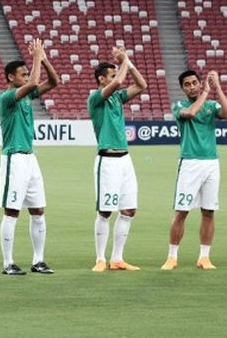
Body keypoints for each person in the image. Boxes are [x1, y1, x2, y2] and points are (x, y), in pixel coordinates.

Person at [0, 39, 59, 275]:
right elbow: (34, 81)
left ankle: (38, 260)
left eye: (26, 73)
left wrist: (43, 59)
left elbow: (53, 81)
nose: (26, 76)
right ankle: (8, 263)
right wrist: (36, 59)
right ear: (11, 78)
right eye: (21, 74)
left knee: (38, 210)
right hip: (14, 158)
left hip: (30, 158)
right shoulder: (6, 97)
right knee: (12, 211)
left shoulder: (26, 97)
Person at [87, 46, 147, 272]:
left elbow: (141, 85)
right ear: (101, 80)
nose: (115, 78)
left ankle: (117, 258)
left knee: (129, 209)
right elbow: (119, 83)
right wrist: (124, 61)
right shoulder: (95, 97)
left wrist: (128, 64)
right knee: (105, 211)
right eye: (111, 76)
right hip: (107, 160)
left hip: (125, 160)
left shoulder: (117, 98)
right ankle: (100, 258)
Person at [161, 70, 227, 270]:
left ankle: (204, 257)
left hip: (211, 163)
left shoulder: (211, 105)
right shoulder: (179, 106)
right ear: (182, 88)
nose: (191, 87)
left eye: (194, 83)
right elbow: (190, 113)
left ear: (199, 83)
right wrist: (207, 92)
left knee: (209, 211)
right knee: (181, 211)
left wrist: (217, 88)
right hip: (189, 163)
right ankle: (172, 257)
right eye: (187, 84)